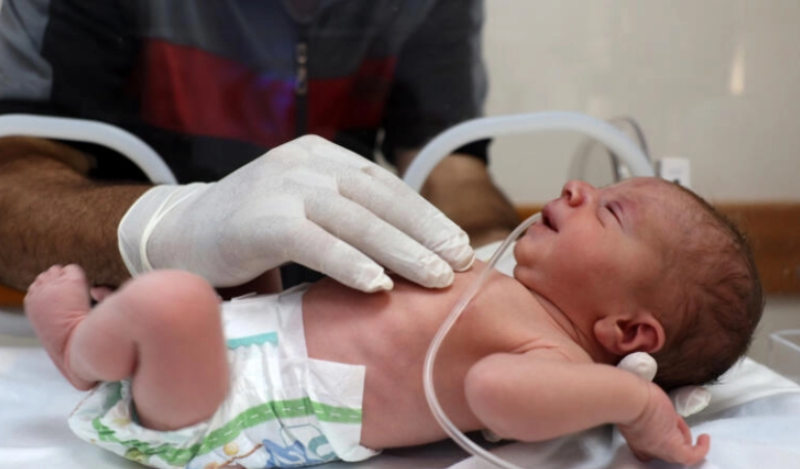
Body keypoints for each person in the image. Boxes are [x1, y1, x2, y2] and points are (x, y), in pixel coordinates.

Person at [25, 177, 763, 468]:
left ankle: (79, 351)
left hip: (234, 409)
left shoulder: (555, 359)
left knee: (172, 300)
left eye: (611, 210)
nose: (577, 187)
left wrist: (637, 404)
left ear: (629, 335)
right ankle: (125, 330)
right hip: (259, 330)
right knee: (238, 257)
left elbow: (494, 391)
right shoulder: (504, 281)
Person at [0, 0, 521, 293]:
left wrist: (503, 262)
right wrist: (168, 229)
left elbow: (450, 170)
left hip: (333, 325)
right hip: (130, 317)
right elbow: (12, 192)